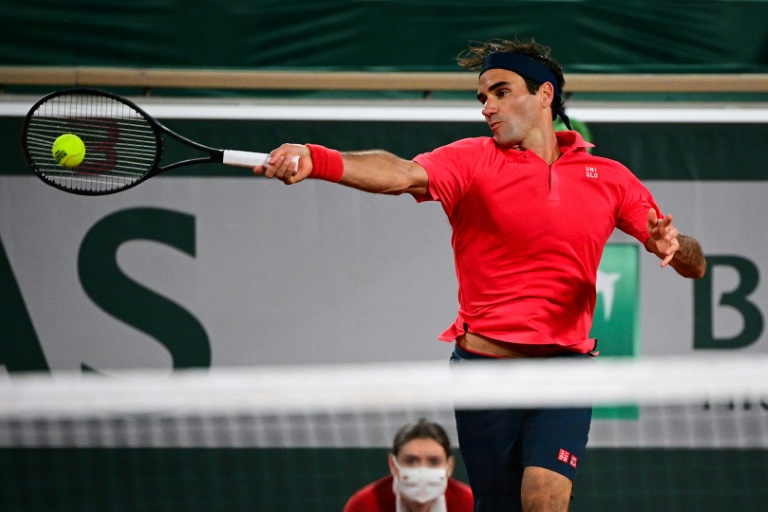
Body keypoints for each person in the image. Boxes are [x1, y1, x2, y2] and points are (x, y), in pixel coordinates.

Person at [255, 38, 707, 512]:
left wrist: (674, 248)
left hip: (565, 370)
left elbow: (694, 264)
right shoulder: (470, 160)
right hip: (484, 373)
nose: (487, 107)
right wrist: (318, 160)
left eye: (501, 92)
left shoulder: (609, 176)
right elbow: (400, 174)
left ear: (545, 95)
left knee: (544, 497)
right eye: (483, 97)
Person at [344, 418, 474, 512]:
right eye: (411, 461)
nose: (422, 471)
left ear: (449, 467)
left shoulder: (470, 504)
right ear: (393, 465)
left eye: (434, 461)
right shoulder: (364, 505)